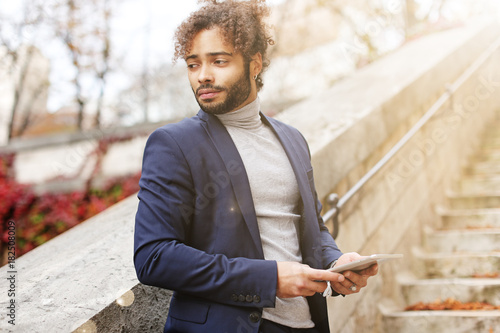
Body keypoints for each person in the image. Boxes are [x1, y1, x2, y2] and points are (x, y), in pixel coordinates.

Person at [134, 1, 378, 332]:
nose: (204, 75)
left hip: (305, 324)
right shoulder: (174, 144)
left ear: (255, 64)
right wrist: (269, 278)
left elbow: (310, 227)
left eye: (219, 61)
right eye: (193, 65)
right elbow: (154, 257)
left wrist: (336, 261)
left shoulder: (292, 140)